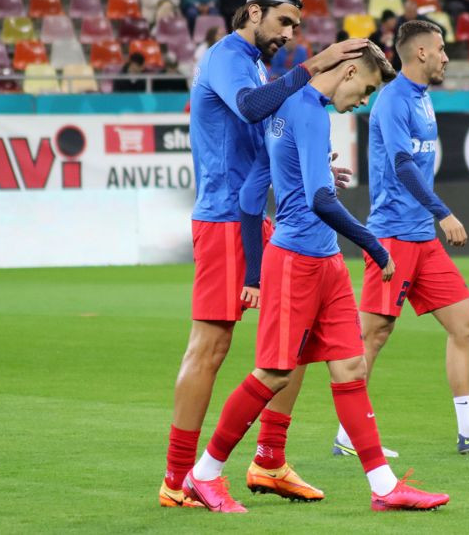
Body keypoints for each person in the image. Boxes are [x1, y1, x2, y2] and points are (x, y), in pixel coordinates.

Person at [186, 39, 451, 514]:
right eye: (366, 88)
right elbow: (319, 202)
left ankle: (385, 488)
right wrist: (372, 244)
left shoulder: (291, 106)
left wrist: (256, 262)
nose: (365, 100)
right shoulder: (309, 111)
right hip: (297, 261)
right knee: (272, 373)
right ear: (349, 73)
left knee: (350, 368)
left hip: (323, 259)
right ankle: (203, 475)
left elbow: (253, 195)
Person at [160, 0, 371, 509]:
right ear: (252, 12)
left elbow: (265, 139)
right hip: (227, 218)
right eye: (284, 22)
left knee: (295, 340)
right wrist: (316, 63)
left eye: (297, 27)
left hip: (260, 218)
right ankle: (177, 478)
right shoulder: (228, 57)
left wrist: (311, 168)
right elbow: (253, 109)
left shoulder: (256, 66)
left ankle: (270, 459)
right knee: (210, 347)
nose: (291, 34)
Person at [335, 20, 469, 458]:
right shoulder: (392, 101)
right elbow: (403, 166)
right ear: (420, 53)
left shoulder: (422, 100)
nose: (445, 56)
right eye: (440, 49)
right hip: (394, 236)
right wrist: (444, 212)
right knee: (373, 335)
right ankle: (349, 435)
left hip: (421, 238)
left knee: (465, 324)